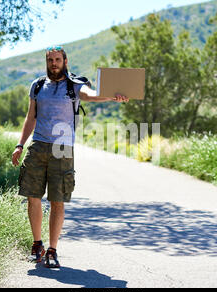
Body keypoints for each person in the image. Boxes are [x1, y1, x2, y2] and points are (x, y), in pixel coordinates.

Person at [11, 46, 129, 268]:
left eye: (57, 59)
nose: (53, 63)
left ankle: (52, 250)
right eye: (50, 60)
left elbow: (91, 96)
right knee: (32, 196)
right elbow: (30, 118)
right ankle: (37, 245)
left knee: (58, 200)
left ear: (65, 61)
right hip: (38, 145)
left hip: (62, 148)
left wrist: (112, 96)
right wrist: (20, 144)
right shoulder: (37, 86)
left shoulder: (74, 85)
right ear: (46, 62)